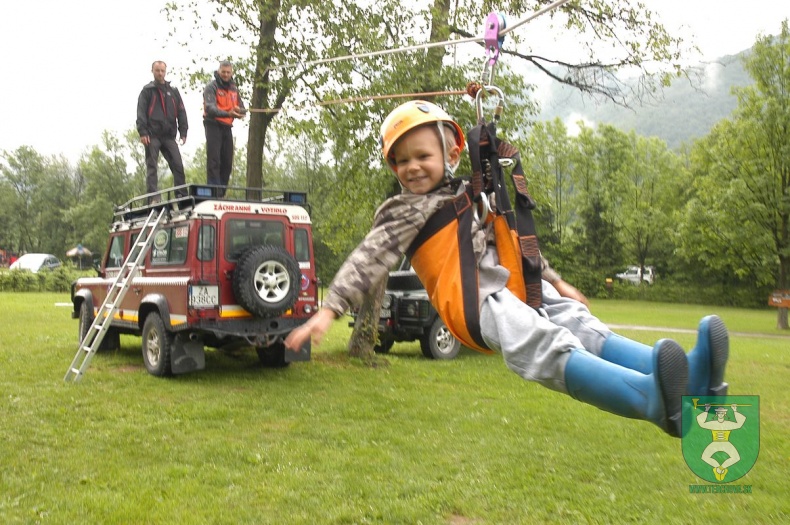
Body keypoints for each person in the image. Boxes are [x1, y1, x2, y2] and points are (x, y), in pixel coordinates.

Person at [285, 100, 730, 438]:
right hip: (475, 302)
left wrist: (554, 280)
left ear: (451, 152)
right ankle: (649, 399)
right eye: (401, 161)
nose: (412, 167)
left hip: (512, 283)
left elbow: (510, 241)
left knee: (576, 321)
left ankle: (690, 379)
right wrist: (330, 309)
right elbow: (369, 256)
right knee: (541, 339)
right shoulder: (403, 210)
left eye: (421, 155)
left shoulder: (469, 193)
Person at [136, 60, 188, 199]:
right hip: (152, 135)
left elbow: (181, 111)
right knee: (152, 166)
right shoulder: (147, 91)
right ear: (152, 71)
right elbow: (141, 112)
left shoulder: (173, 91)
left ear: (165, 71)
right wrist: (143, 132)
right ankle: (153, 198)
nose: (160, 73)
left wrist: (183, 132)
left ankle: (182, 197)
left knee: (178, 165)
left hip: (169, 135)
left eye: (162, 71)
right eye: (157, 70)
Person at [203, 60, 246, 197]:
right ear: (219, 71)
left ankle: (221, 192)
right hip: (213, 124)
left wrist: (240, 111)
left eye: (228, 72)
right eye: (223, 72)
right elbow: (210, 108)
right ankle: (214, 191)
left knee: (227, 161)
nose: (226, 75)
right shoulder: (211, 87)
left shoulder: (234, 89)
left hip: (227, 126)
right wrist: (229, 113)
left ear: (231, 73)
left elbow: (242, 109)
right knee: (214, 159)